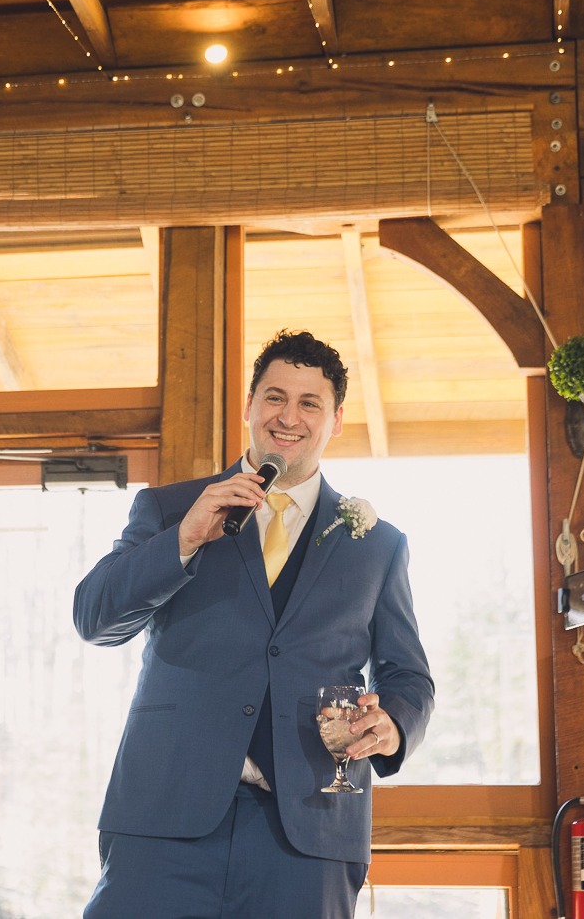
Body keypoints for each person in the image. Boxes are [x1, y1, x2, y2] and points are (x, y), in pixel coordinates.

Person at [74, 329, 435, 919]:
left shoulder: (377, 545)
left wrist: (394, 724)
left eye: (309, 403)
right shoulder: (170, 509)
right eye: (274, 397)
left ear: (335, 420)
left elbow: (409, 678)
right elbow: (95, 619)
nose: (287, 416)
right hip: (166, 818)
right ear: (249, 407)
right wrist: (185, 539)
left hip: (309, 835)